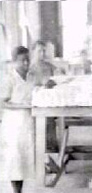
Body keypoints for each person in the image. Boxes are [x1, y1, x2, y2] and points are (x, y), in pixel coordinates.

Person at [0, 46, 37, 193]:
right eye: (22, 60)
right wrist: (22, 105)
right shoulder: (9, 78)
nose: (26, 63)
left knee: (25, 158)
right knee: (15, 159)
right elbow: (2, 102)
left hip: (28, 122)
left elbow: (34, 91)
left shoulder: (30, 76)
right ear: (14, 61)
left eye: (28, 59)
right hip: (13, 124)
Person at [28, 40, 59, 173]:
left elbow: (58, 81)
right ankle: (43, 161)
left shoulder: (50, 66)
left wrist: (54, 83)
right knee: (37, 133)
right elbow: (28, 89)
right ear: (33, 52)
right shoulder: (30, 69)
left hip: (50, 103)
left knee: (50, 132)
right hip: (35, 104)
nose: (42, 54)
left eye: (44, 51)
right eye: (39, 51)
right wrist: (41, 86)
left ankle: (49, 159)